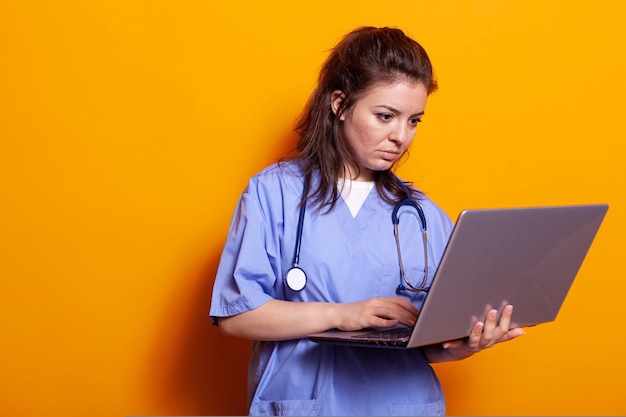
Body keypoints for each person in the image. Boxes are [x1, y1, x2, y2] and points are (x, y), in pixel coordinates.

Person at [209, 26, 524, 416]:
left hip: (404, 405)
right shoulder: (273, 194)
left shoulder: (423, 215)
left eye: (414, 121)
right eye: (386, 116)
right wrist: (342, 315)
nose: (401, 137)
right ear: (339, 105)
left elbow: (427, 342)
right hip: (307, 404)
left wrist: (462, 345)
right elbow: (237, 316)